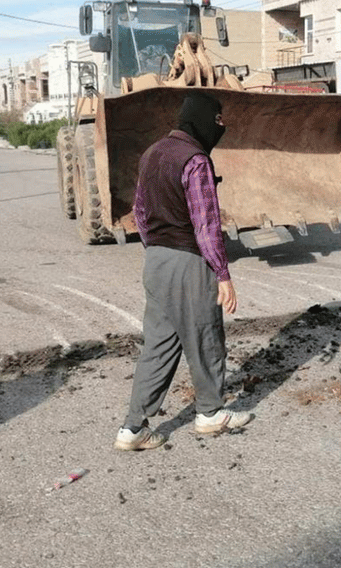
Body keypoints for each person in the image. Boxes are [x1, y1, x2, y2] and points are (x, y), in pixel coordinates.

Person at [113, 90, 253, 451]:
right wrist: (222, 273)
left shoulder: (152, 153)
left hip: (156, 261)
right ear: (203, 119)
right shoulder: (196, 160)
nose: (221, 127)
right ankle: (210, 414)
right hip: (188, 263)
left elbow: (140, 213)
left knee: (157, 346)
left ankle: (133, 429)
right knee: (206, 337)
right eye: (218, 120)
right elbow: (206, 223)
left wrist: (157, 250)